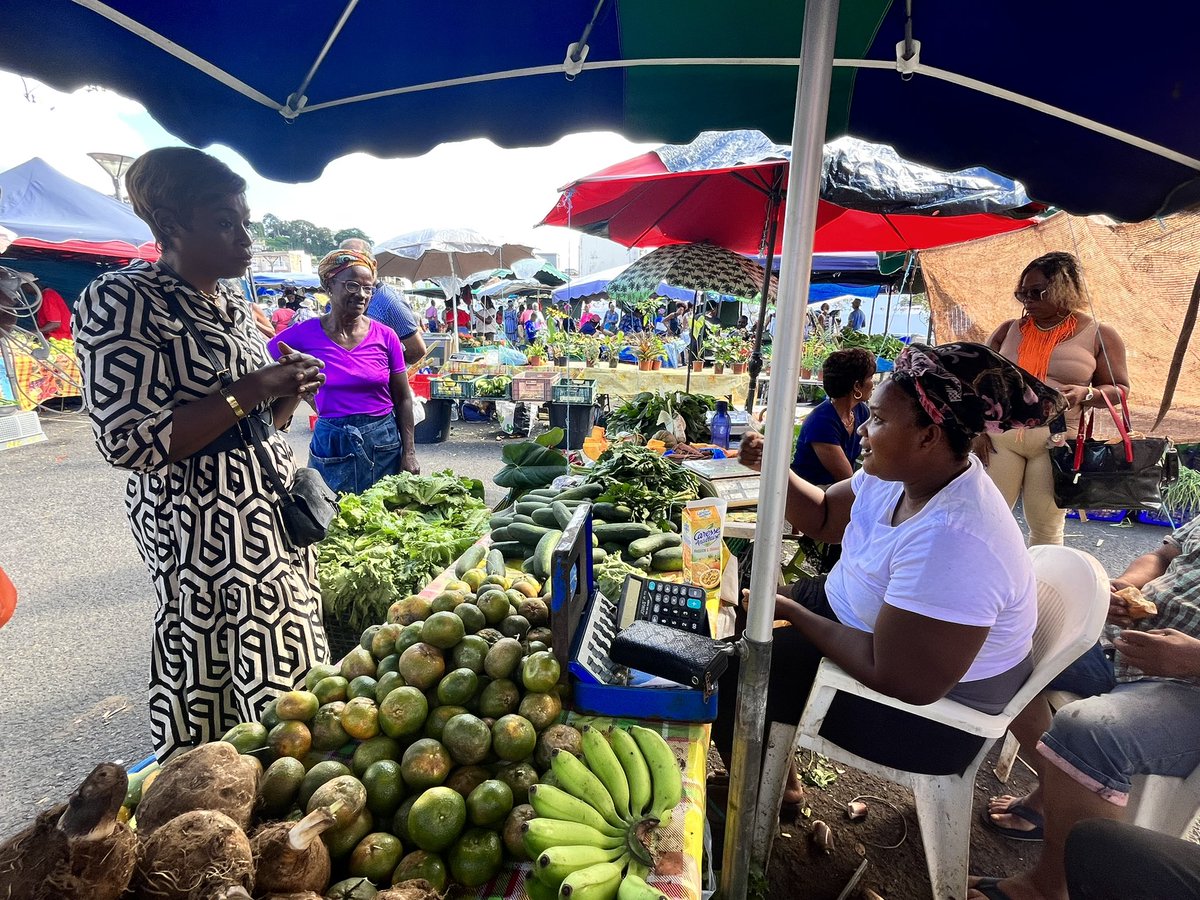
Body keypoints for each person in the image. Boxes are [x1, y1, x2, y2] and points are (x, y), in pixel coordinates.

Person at [715, 342, 1067, 802]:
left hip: (922, 720)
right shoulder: (897, 475)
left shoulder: (955, 538)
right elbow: (824, 517)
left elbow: (902, 679)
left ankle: (767, 795)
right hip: (856, 621)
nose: (863, 428)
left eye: (878, 419)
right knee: (731, 623)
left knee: (725, 675)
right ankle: (773, 776)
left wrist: (793, 614)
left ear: (928, 436)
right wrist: (772, 469)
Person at [73, 147, 329, 760]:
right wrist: (254, 388)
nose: (245, 238)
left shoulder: (234, 305)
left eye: (245, 221)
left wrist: (288, 392)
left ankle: (288, 780)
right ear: (169, 224)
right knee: (214, 664)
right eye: (223, 221)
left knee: (290, 666)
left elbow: (259, 423)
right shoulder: (123, 300)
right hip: (201, 527)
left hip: (271, 516)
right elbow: (127, 441)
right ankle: (215, 790)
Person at [969, 522, 1200, 900]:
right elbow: (1162, 556)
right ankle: (1057, 791)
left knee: (1089, 730)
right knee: (1002, 650)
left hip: (1189, 685)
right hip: (1127, 642)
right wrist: (1126, 587)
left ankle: (1047, 888)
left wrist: (1193, 660)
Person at [976, 252, 1130, 546]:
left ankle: (1041, 577)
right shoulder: (1008, 330)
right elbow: (979, 383)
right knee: (985, 524)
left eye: (1037, 292)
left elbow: (1120, 390)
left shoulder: (1100, 334)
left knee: (1046, 530)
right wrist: (976, 430)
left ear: (1064, 288)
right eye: (1022, 293)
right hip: (1000, 441)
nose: (1027, 300)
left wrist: (1087, 393)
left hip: (1055, 444)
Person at [268, 248, 419, 495]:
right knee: (330, 512)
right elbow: (264, 362)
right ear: (329, 285)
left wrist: (409, 453)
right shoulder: (304, 333)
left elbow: (403, 398)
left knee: (384, 514)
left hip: (382, 441)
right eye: (352, 286)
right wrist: (300, 391)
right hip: (331, 441)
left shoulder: (386, 336)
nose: (362, 294)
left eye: (368, 288)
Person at [791, 349, 876, 485]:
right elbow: (846, 478)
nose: (873, 384)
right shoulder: (821, 423)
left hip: (838, 487)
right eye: (870, 378)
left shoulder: (861, 411)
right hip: (812, 491)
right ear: (856, 386)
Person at [339, 238, 427, 368]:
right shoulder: (344, 296)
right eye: (343, 260)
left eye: (356, 258)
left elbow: (417, 350)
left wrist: (386, 370)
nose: (349, 265)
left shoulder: (389, 302)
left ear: (373, 264)